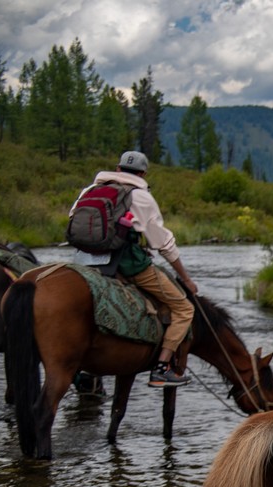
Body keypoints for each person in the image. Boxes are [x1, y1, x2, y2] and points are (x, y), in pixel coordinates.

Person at [69, 150, 198, 388]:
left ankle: (82, 369)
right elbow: (164, 244)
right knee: (184, 309)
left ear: (118, 169)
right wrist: (185, 278)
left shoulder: (89, 190)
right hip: (125, 263)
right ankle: (161, 369)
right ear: (143, 173)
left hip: (83, 260)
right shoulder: (141, 196)